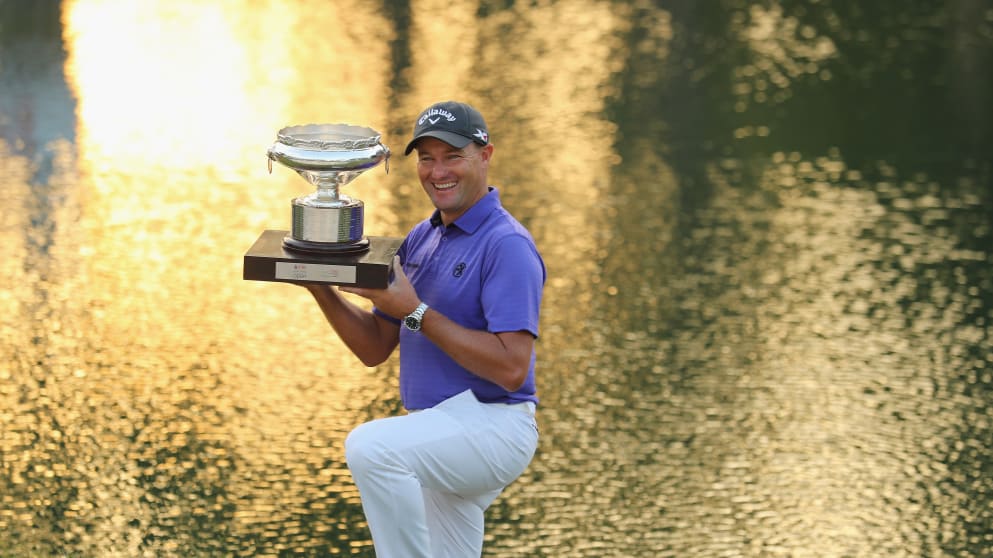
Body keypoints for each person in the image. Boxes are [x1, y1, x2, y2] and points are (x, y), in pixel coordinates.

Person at [304, 100, 546, 557]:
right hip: (437, 432)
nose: (438, 172)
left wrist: (415, 311)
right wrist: (321, 289)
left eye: (453, 156)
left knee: (371, 448)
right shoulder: (423, 236)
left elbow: (513, 369)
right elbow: (376, 347)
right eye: (427, 157)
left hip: (494, 427)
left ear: (485, 156)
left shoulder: (506, 244)